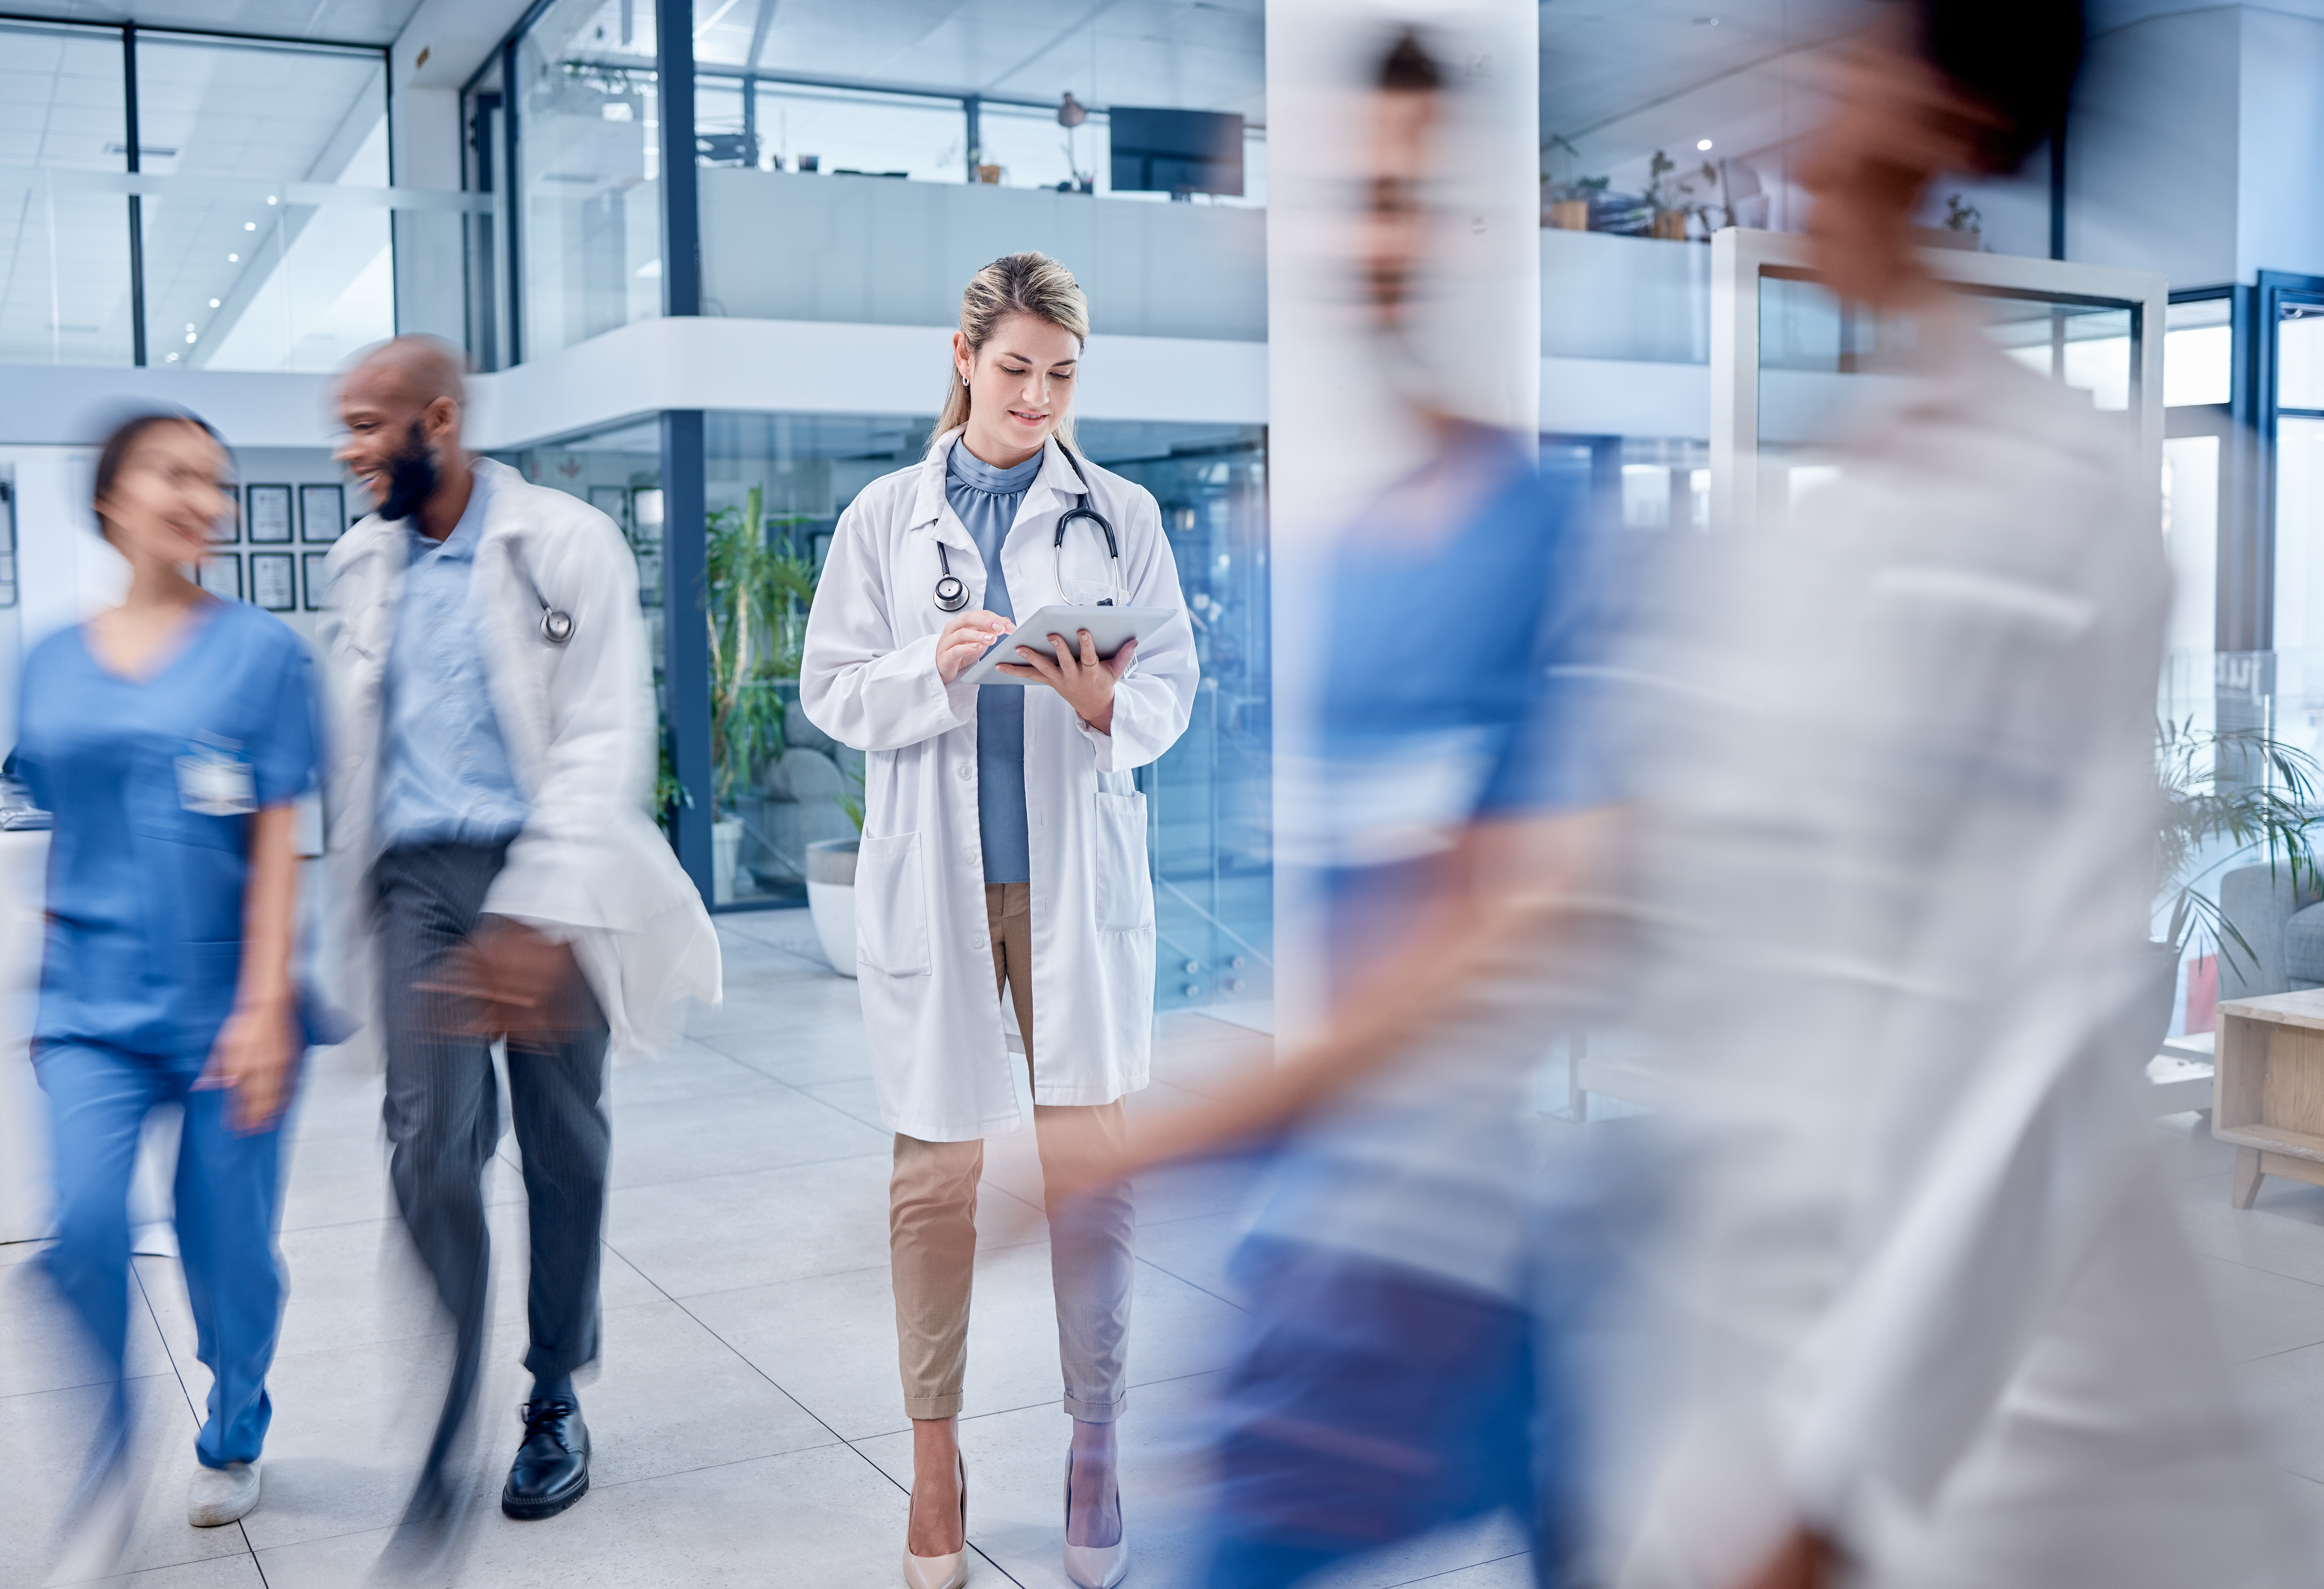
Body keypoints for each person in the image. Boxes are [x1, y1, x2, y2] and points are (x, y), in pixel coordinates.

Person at [1613, 5, 2308, 1587]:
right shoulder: (1819, 515)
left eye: (1830, 57)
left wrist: (1835, 1474)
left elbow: (2062, 1011)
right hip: (1789, 1328)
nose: (1778, 117)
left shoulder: (2055, 504)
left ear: (1939, 118)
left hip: (2010, 1401)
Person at [1070, 33, 1632, 1589]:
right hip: (1338, 1235)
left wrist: (1144, 1139)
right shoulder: (1313, 545)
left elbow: (1472, 947)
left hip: (1420, 1257)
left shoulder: (1533, 533)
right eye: (1346, 196)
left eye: (1407, 195)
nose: (1375, 235)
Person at [799, 252, 1199, 1589]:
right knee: (935, 1178)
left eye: (1063, 374)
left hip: (1074, 880)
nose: (1039, 397)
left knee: (1092, 1162)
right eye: (1018, 368)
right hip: (939, 880)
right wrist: (932, 663)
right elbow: (832, 691)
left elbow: (1174, 682)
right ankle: (934, 1458)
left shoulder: (1121, 513)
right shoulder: (884, 518)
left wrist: (1108, 710)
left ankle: (1096, 1440)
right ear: (966, 357)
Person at [320, 337, 718, 1531]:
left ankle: (551, 1392)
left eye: (366, 426)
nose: (349, 452)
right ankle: (453, 1395)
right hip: (414, 885)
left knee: (563, 1144)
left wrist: (537, 906)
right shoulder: (360, 565)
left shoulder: (565, 541)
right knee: (428, 1145)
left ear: (437, 420)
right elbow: (356, 749)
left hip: (552, 865)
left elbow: (603, 734)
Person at [18, 409, 323, 1567]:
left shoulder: (262, 655)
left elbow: (281, 835)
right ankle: (102, 1465)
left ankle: (236, 1421)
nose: (202, 497)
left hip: (223, 1009)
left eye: (217, 480)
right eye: (174, 474)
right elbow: (64, 826)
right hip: (88, 1006)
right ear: (112, 497)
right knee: (84, 1230)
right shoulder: (49, 658)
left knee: (228, 1254)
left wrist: (261, 1006)